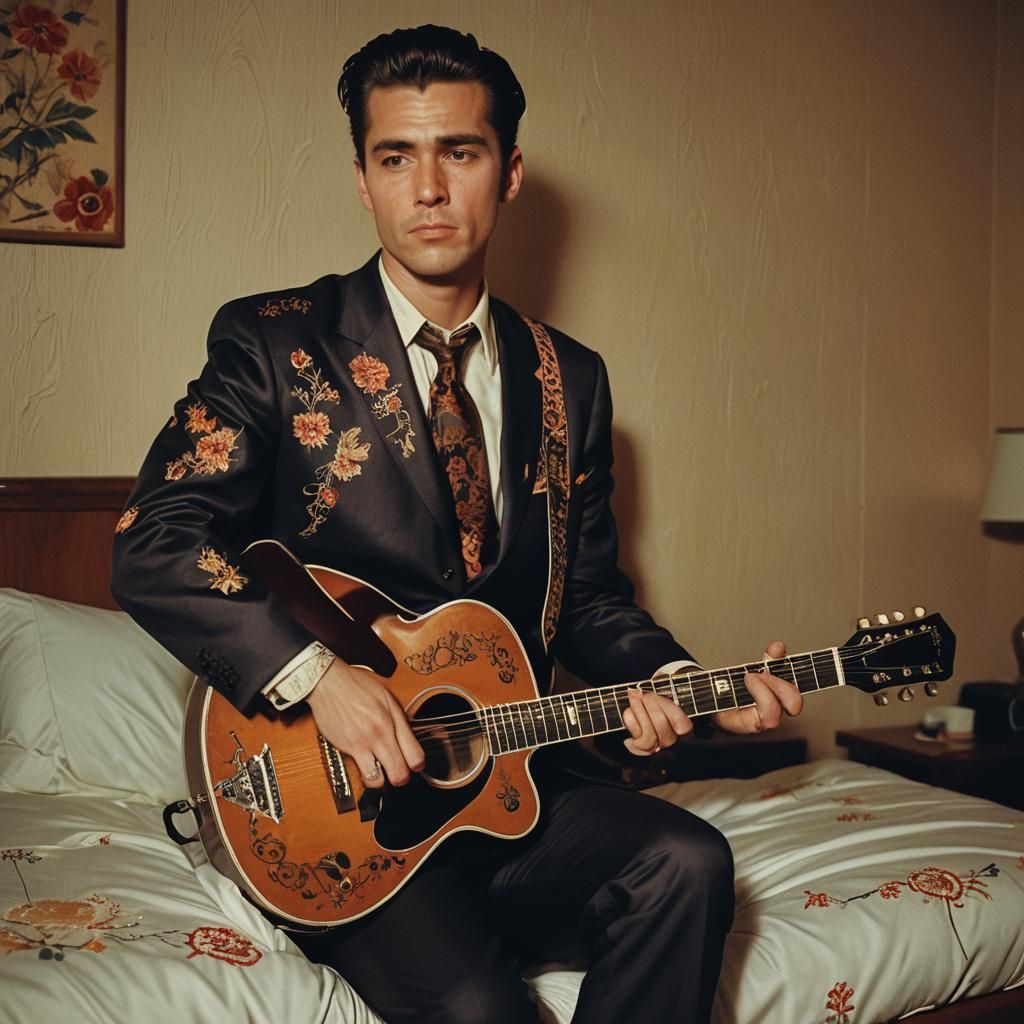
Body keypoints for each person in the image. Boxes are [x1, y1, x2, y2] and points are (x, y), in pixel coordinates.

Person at [111, 24, 803, 1024]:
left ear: (508, 171)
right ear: (363, 177)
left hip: (511, 775)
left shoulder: (573, 378)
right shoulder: (273, 341)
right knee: (480, 1006)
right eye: (397, 156)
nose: (428, 188)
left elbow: (591, 593)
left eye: (460, 153)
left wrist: (672, 683)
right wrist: (321, 679)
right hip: (332, 797)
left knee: (689, 858)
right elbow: (154, 539)